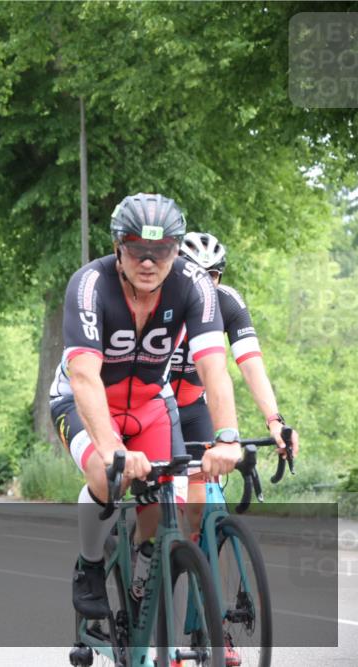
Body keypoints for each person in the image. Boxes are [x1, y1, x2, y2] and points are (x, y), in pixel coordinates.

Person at [49, 193, 243, 620]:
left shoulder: (194, 284)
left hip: (151, 404)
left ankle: (142, 576)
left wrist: (227, 437)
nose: (149, 262)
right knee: (108, 477)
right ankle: (90, 565)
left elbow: (214, 368)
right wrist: (111, 449)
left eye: (163, 250)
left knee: (160, 502)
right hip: (85, 401)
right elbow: (84, 377)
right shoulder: (90, 284)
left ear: (176, 249)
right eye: (138, 249)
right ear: (118, 246)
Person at [172, 232, 300, 537]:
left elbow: (251, 365)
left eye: (212, 275)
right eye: (196, 273)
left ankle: (193, 562)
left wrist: (274, 421)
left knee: (198, 506)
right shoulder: (161, 301)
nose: (204, 283)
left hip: (194, 408)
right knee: (168, 503)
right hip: (155, 408)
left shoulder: (228, 303)